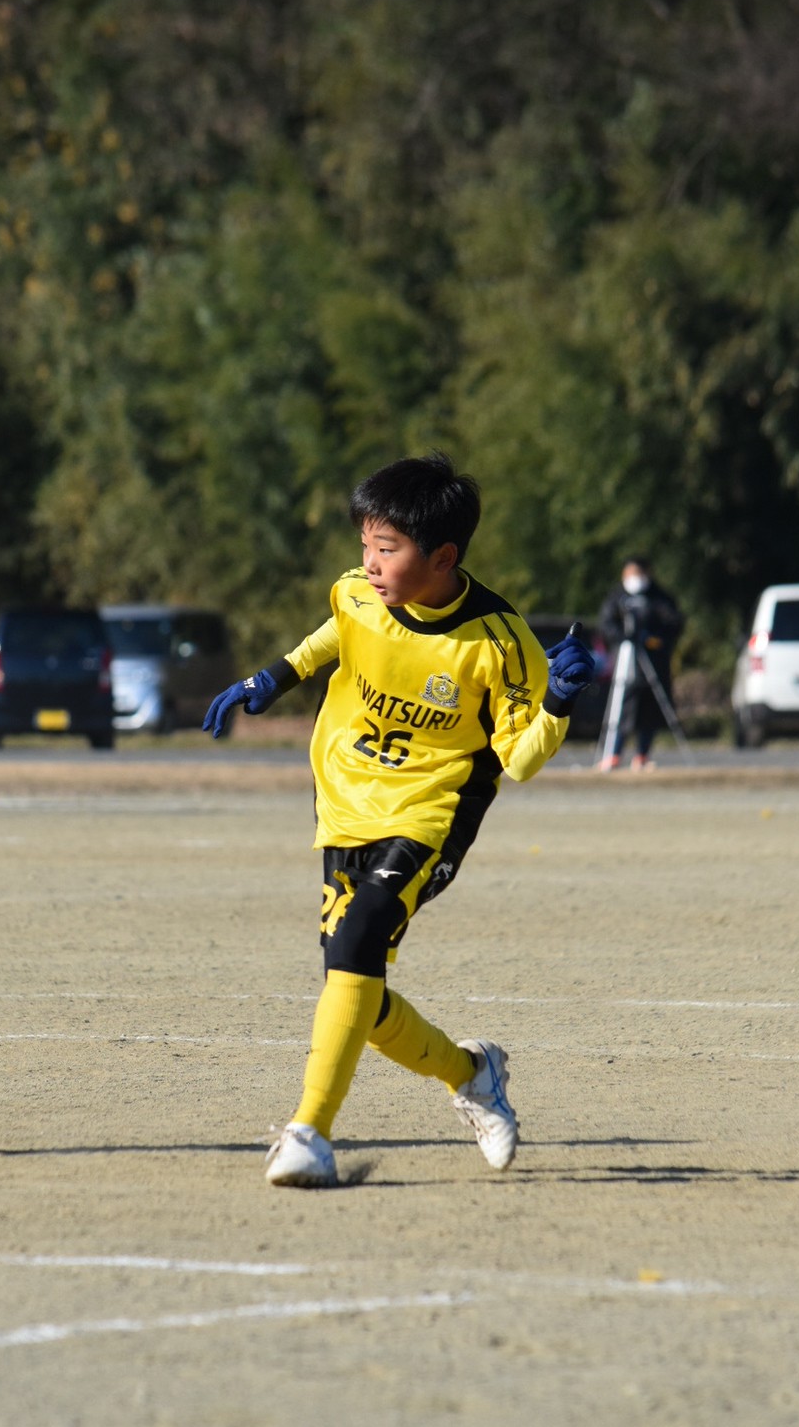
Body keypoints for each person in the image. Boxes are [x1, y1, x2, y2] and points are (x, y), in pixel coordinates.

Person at [202, 452, 595, 1188]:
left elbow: (521, 758)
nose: (370, 564)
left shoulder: (499, 642)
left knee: (356, 944)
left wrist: (558, 703)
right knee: (357, 984)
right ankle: (473, 1072)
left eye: (388, 550)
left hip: (429, 813)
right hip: (344, 805)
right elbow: (338, 631)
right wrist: (272, 677)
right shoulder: (358, 592)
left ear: (443, 557)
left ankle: (309, 1132)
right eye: (365, 546)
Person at [597, 556, 684, 772]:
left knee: (650, 709)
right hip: (625, 661)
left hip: (653, 661)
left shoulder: (659, 598)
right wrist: (623, 636)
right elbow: (605, 624)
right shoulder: (617, 597)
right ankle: (613, 754)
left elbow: (674, 623)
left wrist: (651, 638)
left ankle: (642, 755)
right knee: (622, 707)